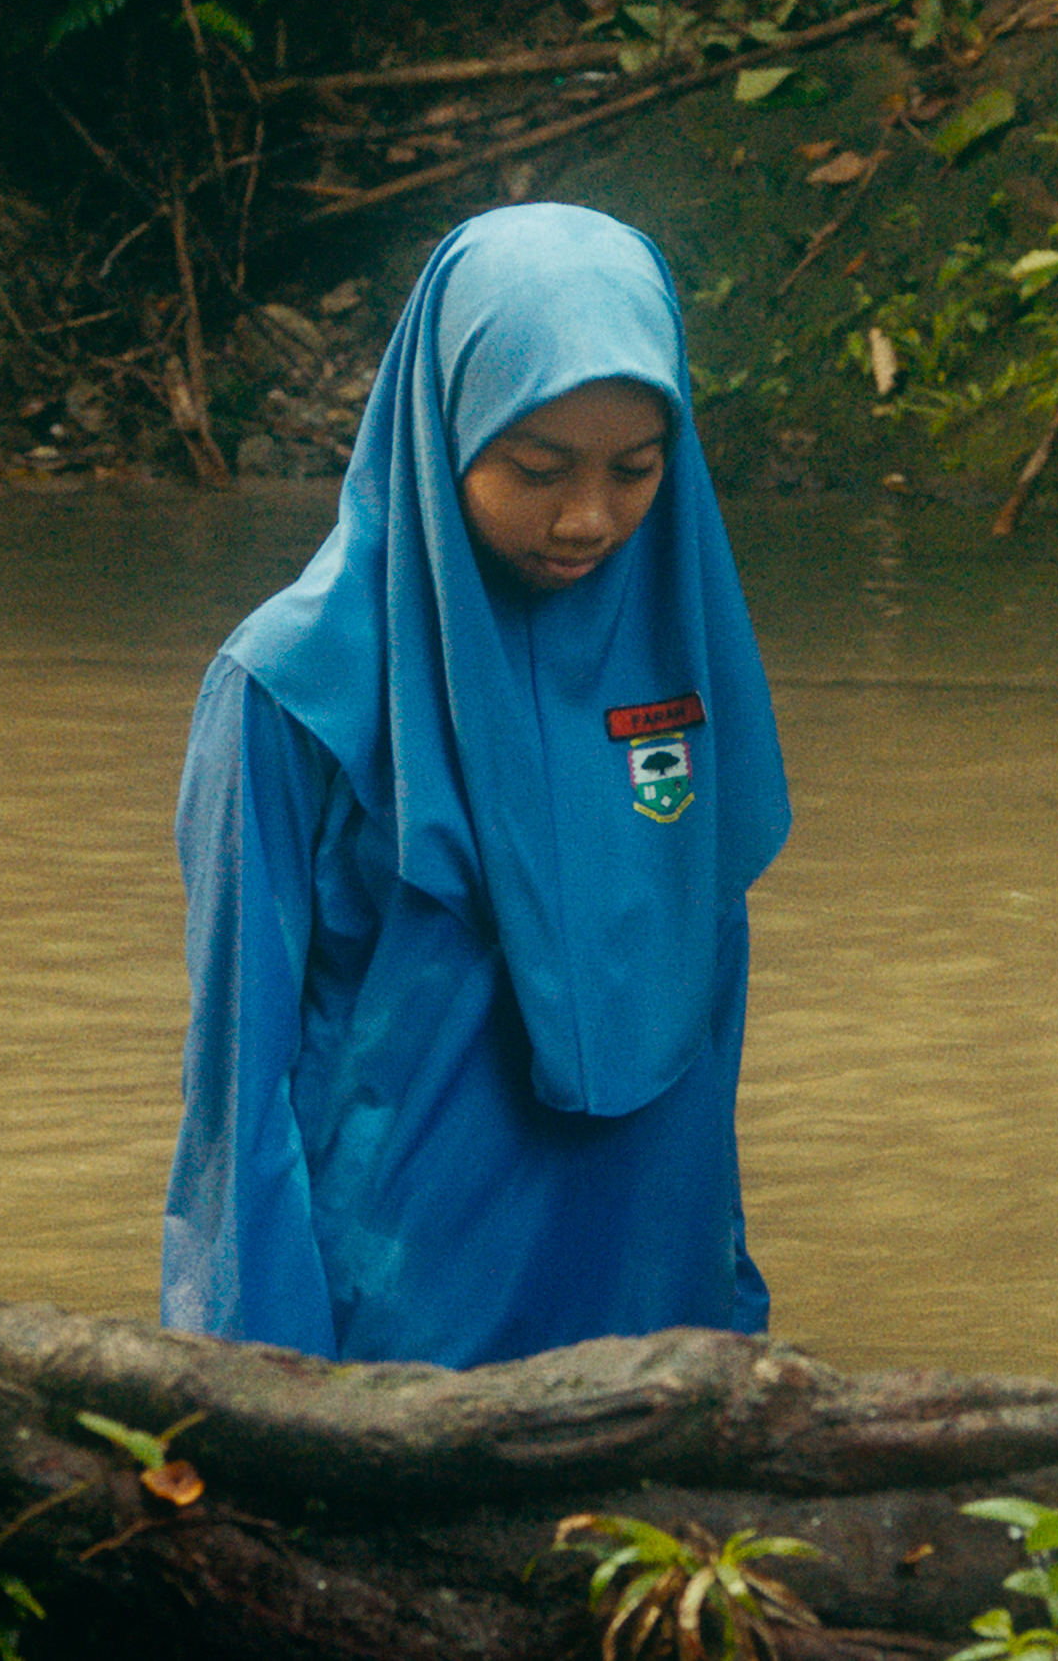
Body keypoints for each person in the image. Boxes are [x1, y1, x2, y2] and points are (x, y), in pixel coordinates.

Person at [163, 203, 788, 1367]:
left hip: (652, 1305)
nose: (590, 517)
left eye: (636, 469)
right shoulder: (292, 693)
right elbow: (236, 1088)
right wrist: (254, 1391)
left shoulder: (680, 661)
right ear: (438, 428)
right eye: (538, 468)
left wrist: (729, 1316)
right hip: (404, 1327)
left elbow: (710, 1021)